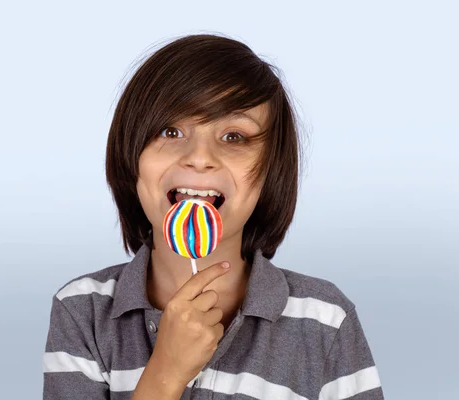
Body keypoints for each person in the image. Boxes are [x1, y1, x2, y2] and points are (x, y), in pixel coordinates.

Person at [42, 33, 384, 400]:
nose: (200, 157)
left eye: (234, 137)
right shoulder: (82, 311)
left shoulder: (325, 320)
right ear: (131, 157)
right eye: (171, 131)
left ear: (271, 171)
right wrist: (166, 373)